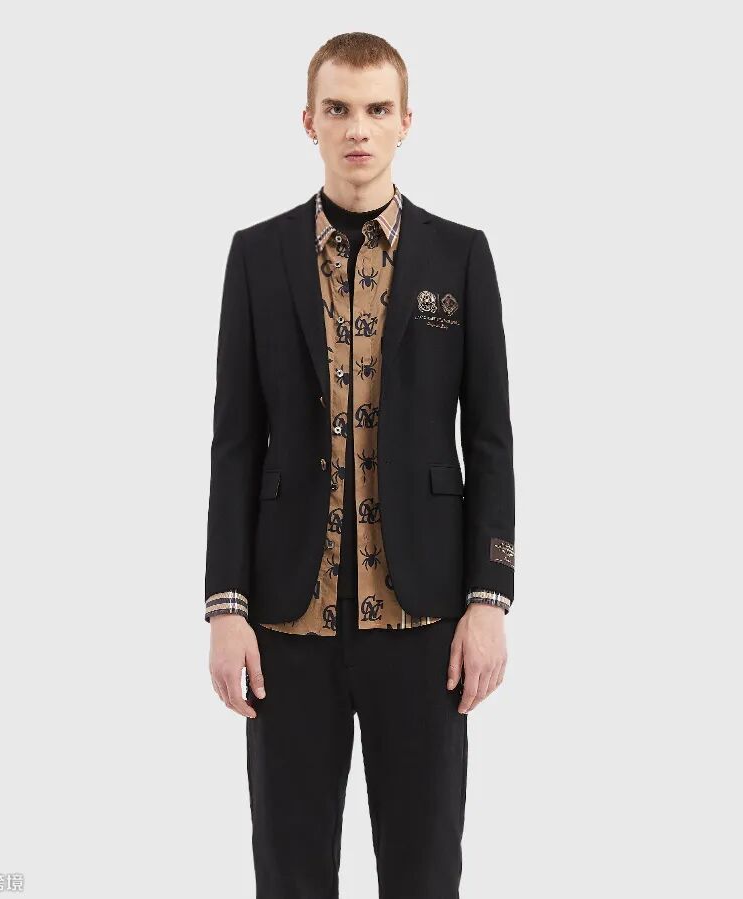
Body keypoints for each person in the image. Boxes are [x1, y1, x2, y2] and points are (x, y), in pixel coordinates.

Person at [204, 31, 515, 899]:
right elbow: (234, 442)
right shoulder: (256, 255)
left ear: (406, 121)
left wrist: (489, 600)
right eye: (337, 109)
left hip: (424, 619)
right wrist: (225, 608)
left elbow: (490, 439)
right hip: (285, 620)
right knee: (290, 872)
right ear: (308, 120)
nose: (358, 129)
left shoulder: (459, 255)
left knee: (423, 871)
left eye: (377, 109)